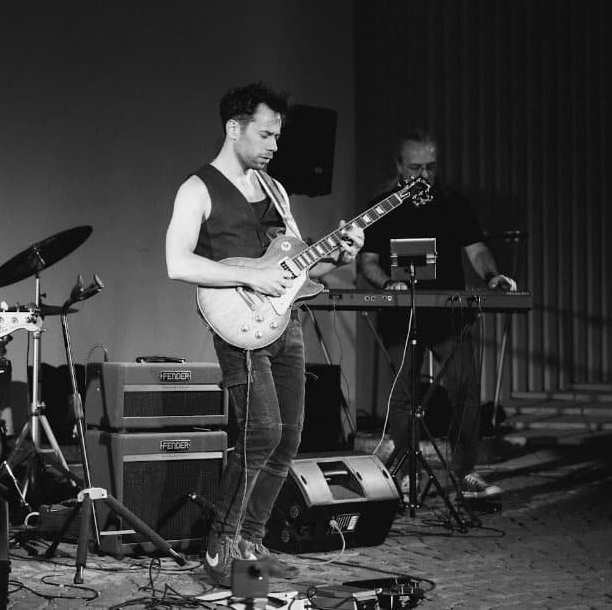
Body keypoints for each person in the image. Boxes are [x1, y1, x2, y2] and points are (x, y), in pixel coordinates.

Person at [165, 82, 363, 587]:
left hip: (285, 322)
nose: (275, 144)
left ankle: (250, 545)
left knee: (290, 438)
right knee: (262, 434)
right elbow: (177, 262)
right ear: (235, 129)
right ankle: (218, 548)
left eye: (278, 134)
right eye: (266, 133)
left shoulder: (275, 188)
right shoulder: (197, 189)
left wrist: (340, 252)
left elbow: (296, 259)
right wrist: (251, 276)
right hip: (238, 325)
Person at [356, 130, 516, 500]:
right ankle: (407, 472)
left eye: (430, 167)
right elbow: (368, 261)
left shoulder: (454, 203)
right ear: (399, 166)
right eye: (415, 167)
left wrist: (493, 276)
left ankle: (465, 474)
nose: (423, 175)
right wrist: (387, 287)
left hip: (448, 313)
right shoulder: (381, 206)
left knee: (464, 386)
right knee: (404, 392)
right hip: (401, 314)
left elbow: (476, 251)